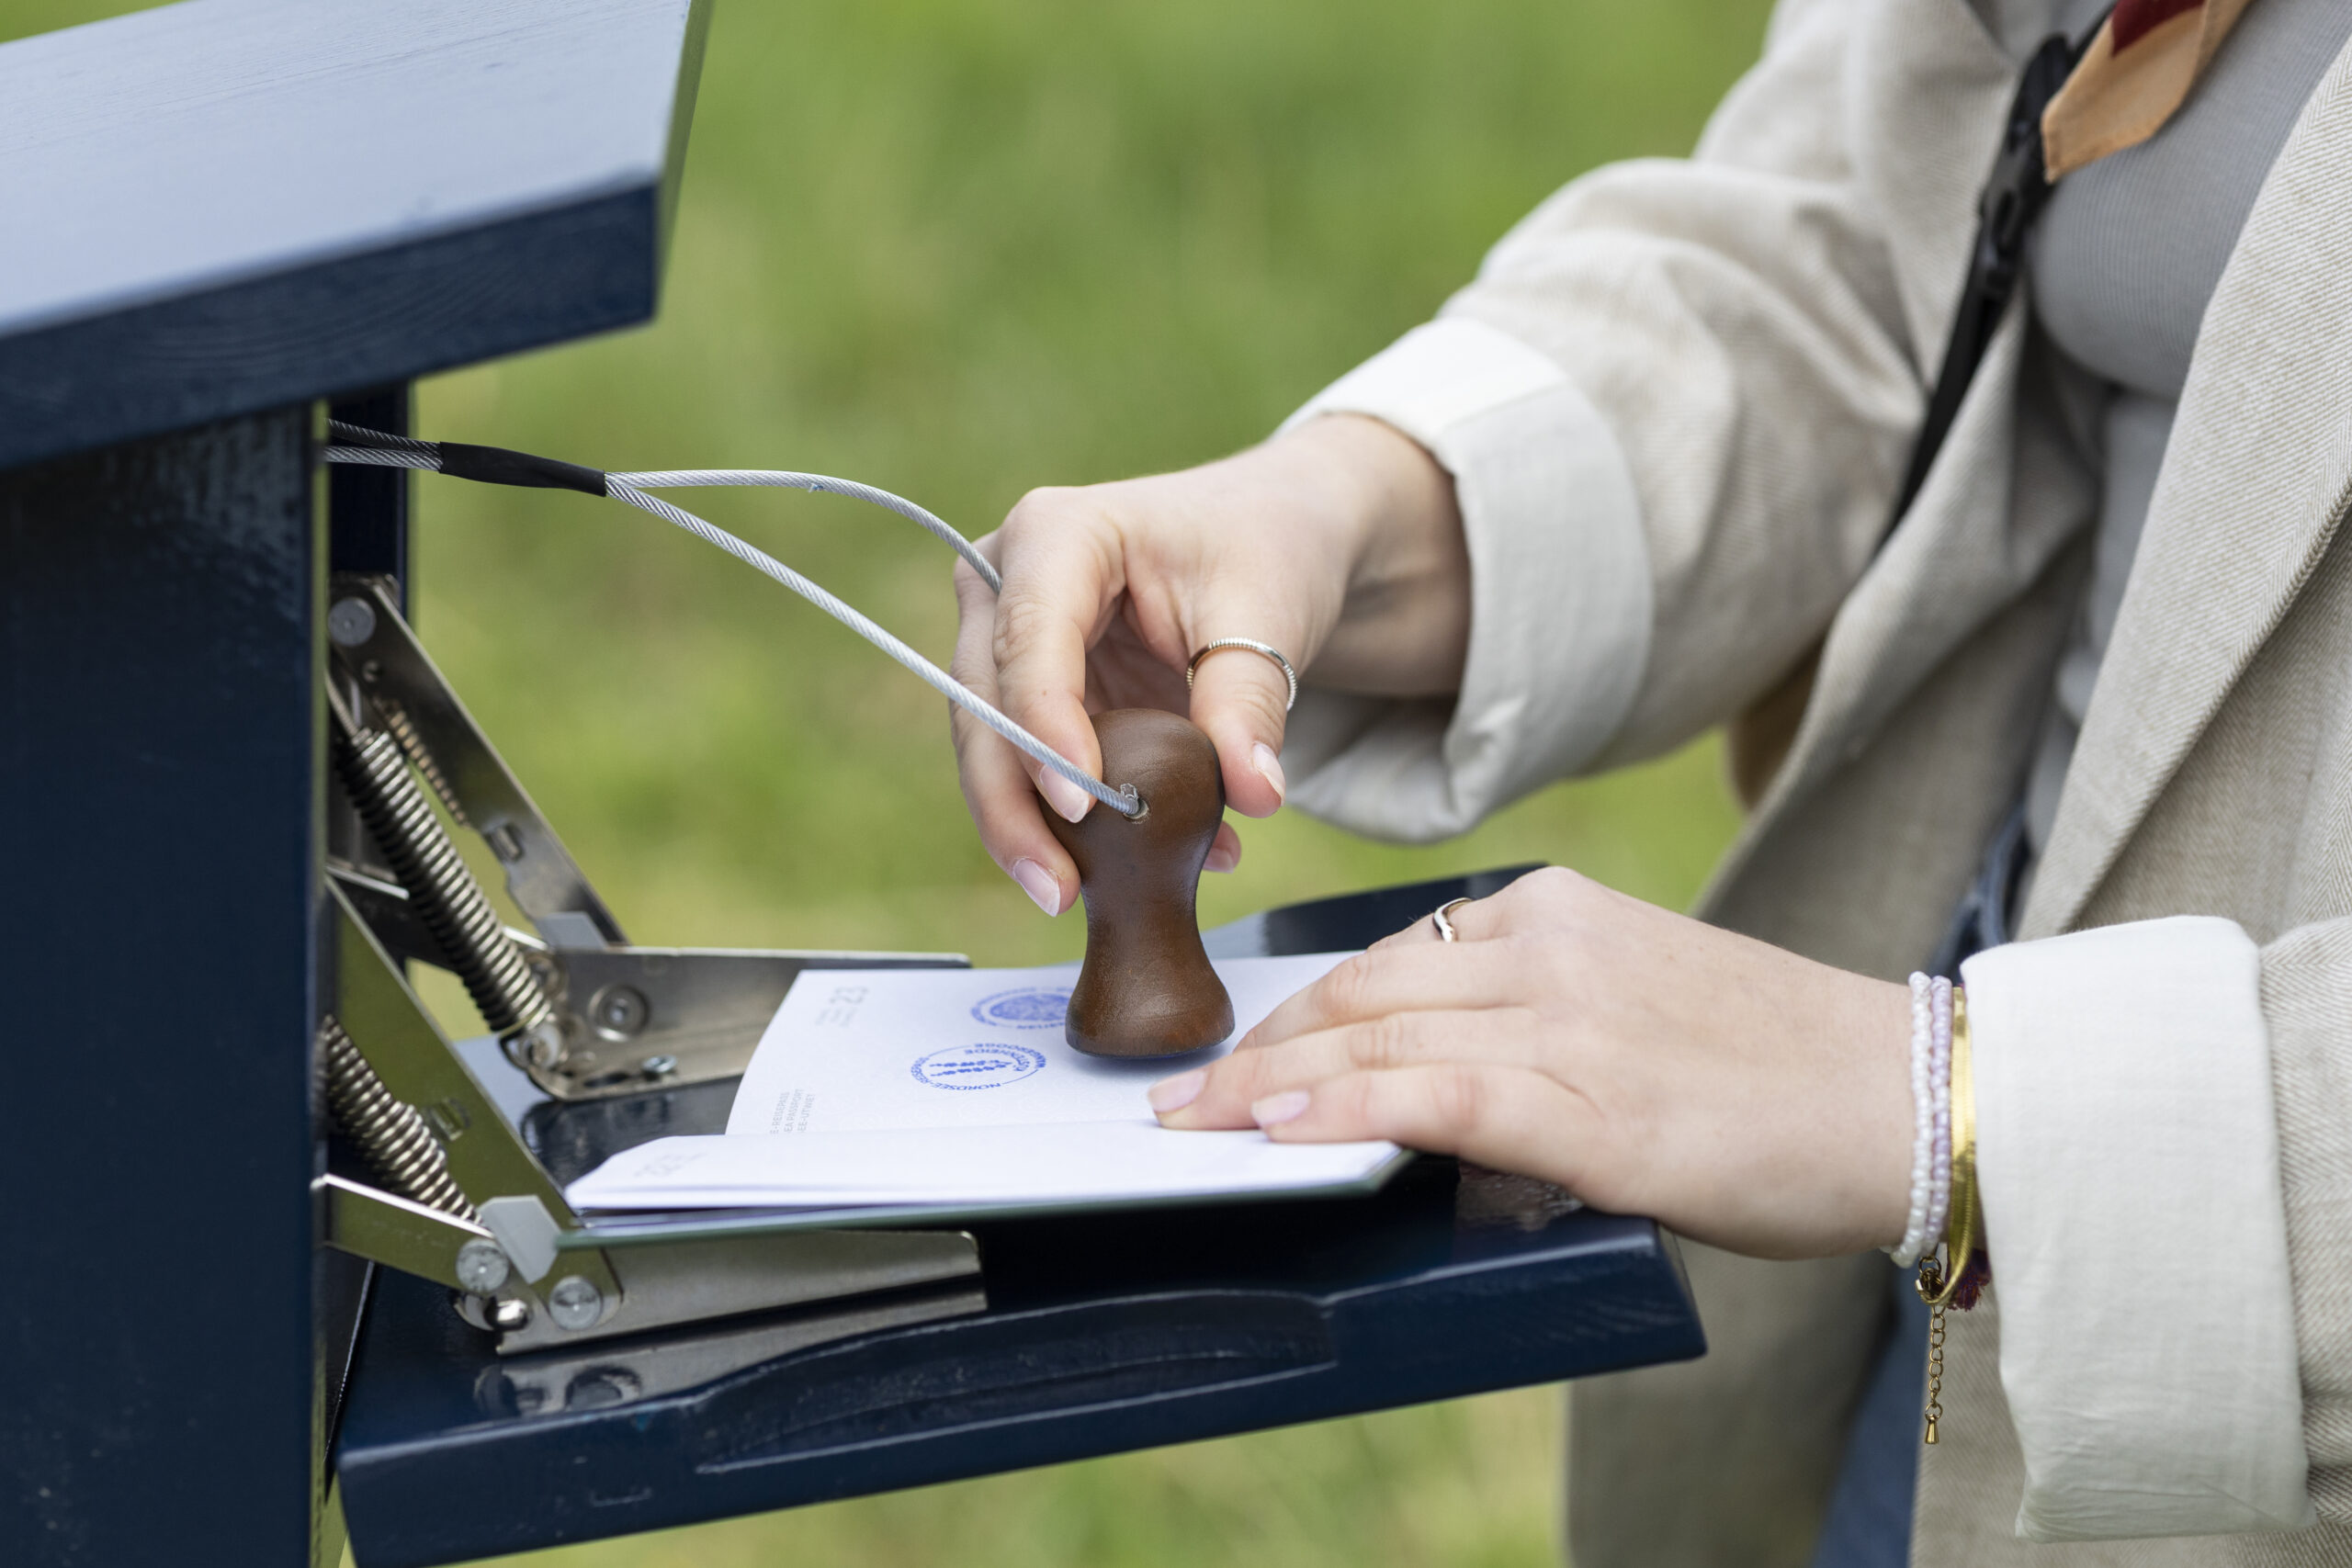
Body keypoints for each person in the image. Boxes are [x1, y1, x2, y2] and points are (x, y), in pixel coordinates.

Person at [946, 0, 2352, 1562]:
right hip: (1968, 1253)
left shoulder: (1946, 1115)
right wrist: (1353, 507)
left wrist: (1951, 1106)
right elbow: (1878, 238)